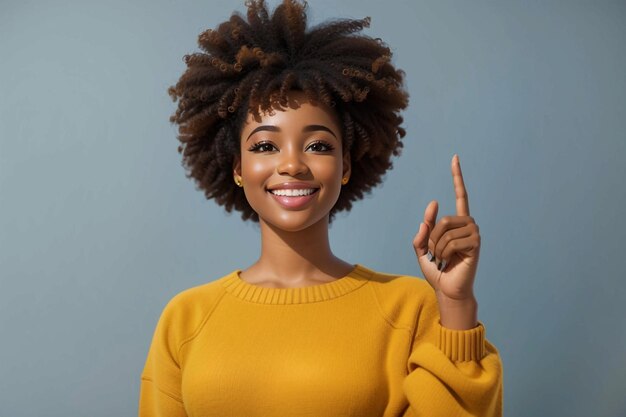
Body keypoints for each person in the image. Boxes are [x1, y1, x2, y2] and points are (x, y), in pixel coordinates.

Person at [138, 1, 503, 416]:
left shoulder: (409, 307)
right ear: (238, 167)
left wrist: (456, 306)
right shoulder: (186, 318)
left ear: (345, 166)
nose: (292, 164)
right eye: (264, 145)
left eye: (318, 145)